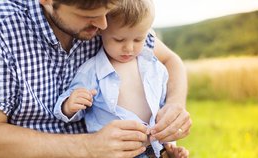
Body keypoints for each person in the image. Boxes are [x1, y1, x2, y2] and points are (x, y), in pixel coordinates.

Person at [0, 0, 191, 157]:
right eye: (90, 15)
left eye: (107, 11)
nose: (103, 24)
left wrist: (175, 105)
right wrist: (88, 146)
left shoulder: (109, 19)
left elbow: (170, 60)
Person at [53, 0, 189, 157]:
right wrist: (69, 106)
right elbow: (73, 102)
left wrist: (171, 123)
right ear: (100, 30)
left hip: (156, 146)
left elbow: (162, 101)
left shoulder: (151, 63)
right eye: (119, 40)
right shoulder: (92, 70)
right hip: (117, 151)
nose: (129, 48)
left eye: (138, 40)